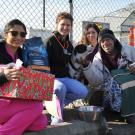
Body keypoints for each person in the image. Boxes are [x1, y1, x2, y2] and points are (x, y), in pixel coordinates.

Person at [0, 19, 47, 135]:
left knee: (41, 121)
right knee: (37, 107)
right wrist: (3, 76)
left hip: (15, 102)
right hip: (3, 102)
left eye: (22, 34)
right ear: (5, 34)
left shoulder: (24, 54)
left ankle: (7, 126)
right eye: (14, 33)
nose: (18, 37)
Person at [83, 28, 135, 119]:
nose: (105, 43)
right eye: (102, 41)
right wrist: (87, 67)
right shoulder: (97, 59)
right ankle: (120, 114)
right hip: (109, 91)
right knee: (94, 100)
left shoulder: (128, 50)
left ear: (114, 40)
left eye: (108, 39)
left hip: (128, 87)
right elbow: (97, 82)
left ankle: (125, 113)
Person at [46, 12, 88, 125]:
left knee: (83, 91)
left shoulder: (69, 44)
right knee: (61, 88)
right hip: (51, 78)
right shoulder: (50, 41)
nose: (65, 27)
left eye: (68, 25)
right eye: (62, 24)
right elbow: (43, 64)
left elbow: (72, 61)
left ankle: (54, 104)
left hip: (64, 77)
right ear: (57, 24)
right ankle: (57, 117)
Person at [77, 23, 101, 105]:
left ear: (98, 33)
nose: (91, 35)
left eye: (93, 32)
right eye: (88, 33)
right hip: (83, 80)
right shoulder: (82, 47)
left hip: (97, 79)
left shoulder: (102, 47)